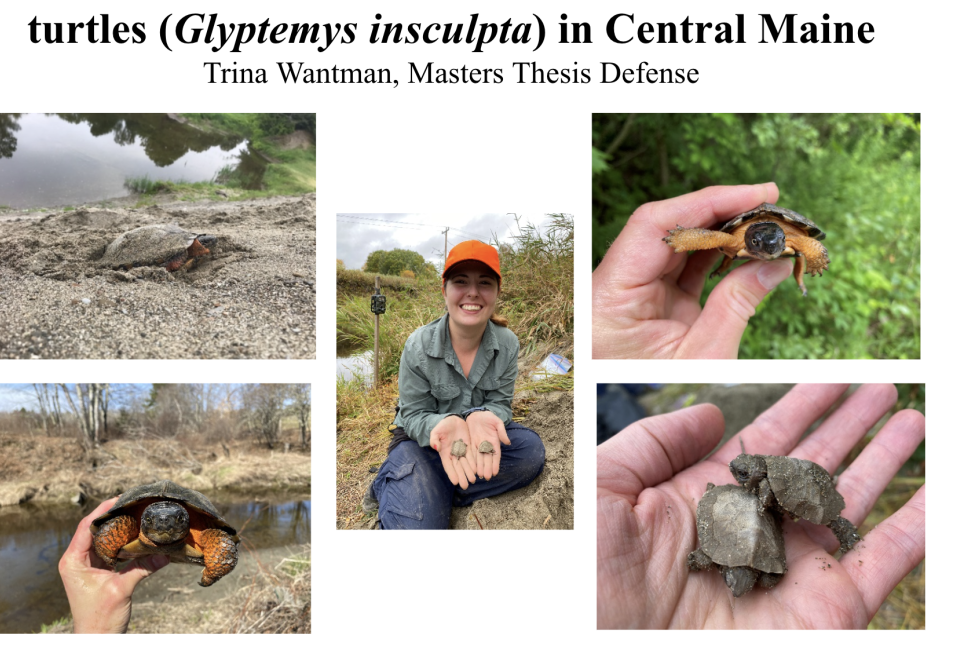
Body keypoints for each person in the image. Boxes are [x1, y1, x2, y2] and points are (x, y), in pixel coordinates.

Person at [597, 384, 926, 629]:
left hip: (806, 487)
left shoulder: (765, 485)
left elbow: (759, 504)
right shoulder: (761, 477)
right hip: (796, 482)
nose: (739, 590)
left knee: (832, 519)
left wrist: (761, 500)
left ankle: (845, 529)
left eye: (741, 474)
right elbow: (703, 557)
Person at [366, 240, 546, 529]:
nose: (473, 292)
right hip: (423, 443)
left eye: (484, 283)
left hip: (478, 438)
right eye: (461, 282)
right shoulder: (418, 345)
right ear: (445, 290)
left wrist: (482, 416)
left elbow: (500, 403)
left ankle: (430, 489)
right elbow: (411, 416)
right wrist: (443, 426)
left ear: (497, 292)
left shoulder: (508, 343)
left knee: (529, 453)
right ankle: (406, 483)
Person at [593, 182, 794, 359]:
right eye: (757, 242)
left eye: (780, 241)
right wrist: (683, 238)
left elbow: (809, 243)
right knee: (718, 238)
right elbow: (714, 236)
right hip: (737, 243)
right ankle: (684, 237)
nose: (768, 248)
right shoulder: (735, 238)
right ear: (750, 237)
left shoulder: (791, 238)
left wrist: (816, 257)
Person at [59, 497, 169, 633]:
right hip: (133, 529)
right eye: (151, 519)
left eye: (178, 520)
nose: (164, 523)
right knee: (120, 525)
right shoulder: (131, 523)